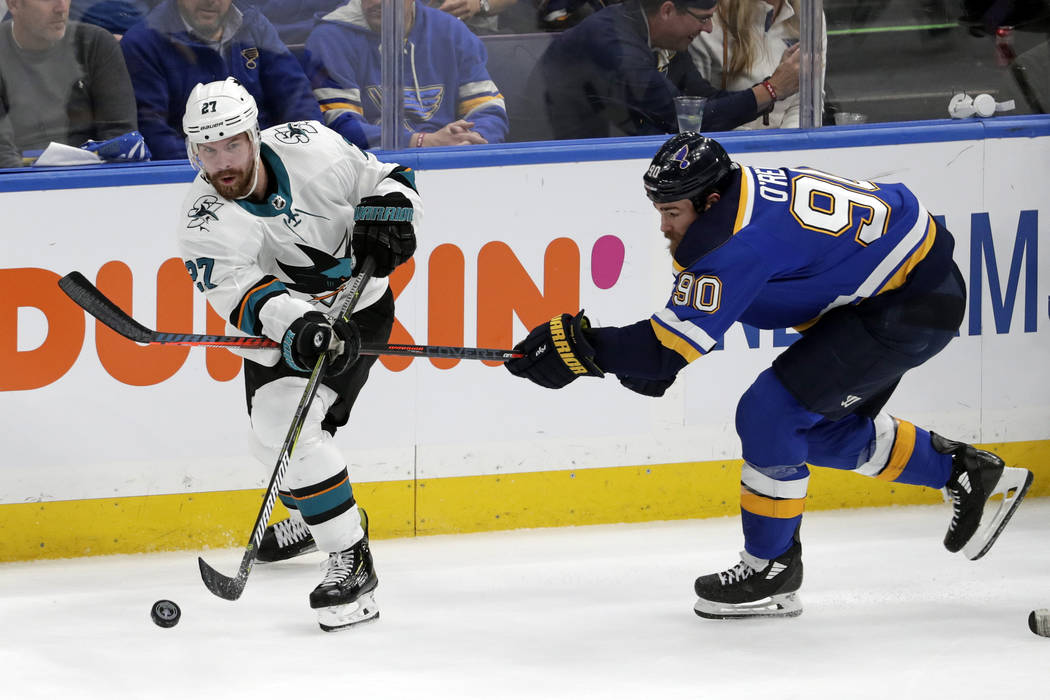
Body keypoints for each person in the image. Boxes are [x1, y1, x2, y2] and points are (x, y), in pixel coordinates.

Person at [504, 131, 1034, 619]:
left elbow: (663, 351)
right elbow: (734, 302)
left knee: (770, 414)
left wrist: (577, 348)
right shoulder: (743, 194)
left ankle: (771, 570)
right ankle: (966, 471)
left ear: (708, 201)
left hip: (906, 307)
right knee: (809, 432)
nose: (664, 226)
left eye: (671, 212)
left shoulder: (730, 243)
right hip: (904, 287)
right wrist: (635, 354)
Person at [176, 77, 421, 631]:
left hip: (360, 308)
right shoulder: (202, 220)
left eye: (231, 144)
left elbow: (387, 179)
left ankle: (351, 560)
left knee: (284, 427)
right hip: (282, 328)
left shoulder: (312, 146)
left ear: (253, 134)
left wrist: (393, 212)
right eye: (206, 150)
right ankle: (323, 517)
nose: (221, 163)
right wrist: (300, 324)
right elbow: (240, 293)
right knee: (270, 440)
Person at [528, 0, 799, 140]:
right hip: (550, 163)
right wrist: (771, 90)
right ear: (668, 10)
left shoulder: (663, 38)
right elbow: (684, 121)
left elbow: (703, 102)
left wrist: (770, 86)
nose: (708, 29)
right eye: (704, 19)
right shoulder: (613, 44)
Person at [120, 0, 321, 160]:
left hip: (267, 160)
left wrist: (306, 151)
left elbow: (296, 98)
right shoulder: (142, 44)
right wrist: (215, 169)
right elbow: (153, 132)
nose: (211, 1)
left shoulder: (254, 25)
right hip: (193, 171)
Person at [305, 0, 508, 150]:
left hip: (452, 159)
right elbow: (339, 126)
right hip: (372, 171)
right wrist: (422, 142)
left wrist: (472, 139)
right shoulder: (330, 38)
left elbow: (488, 108)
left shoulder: (451, 30)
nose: (376, 2)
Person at [0, 0, 138, 167]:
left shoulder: (96, 45)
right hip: (17, 185)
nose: (62, 8)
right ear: (14, 4)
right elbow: (2, 154)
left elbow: (121, 138)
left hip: (94, 181)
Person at [689, 0, 825, 129]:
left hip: (790, 144)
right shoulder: (709, 20)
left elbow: (807, 104)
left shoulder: (809, 12)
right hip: (731, 144)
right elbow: (696, 113)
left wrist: (787, 145)